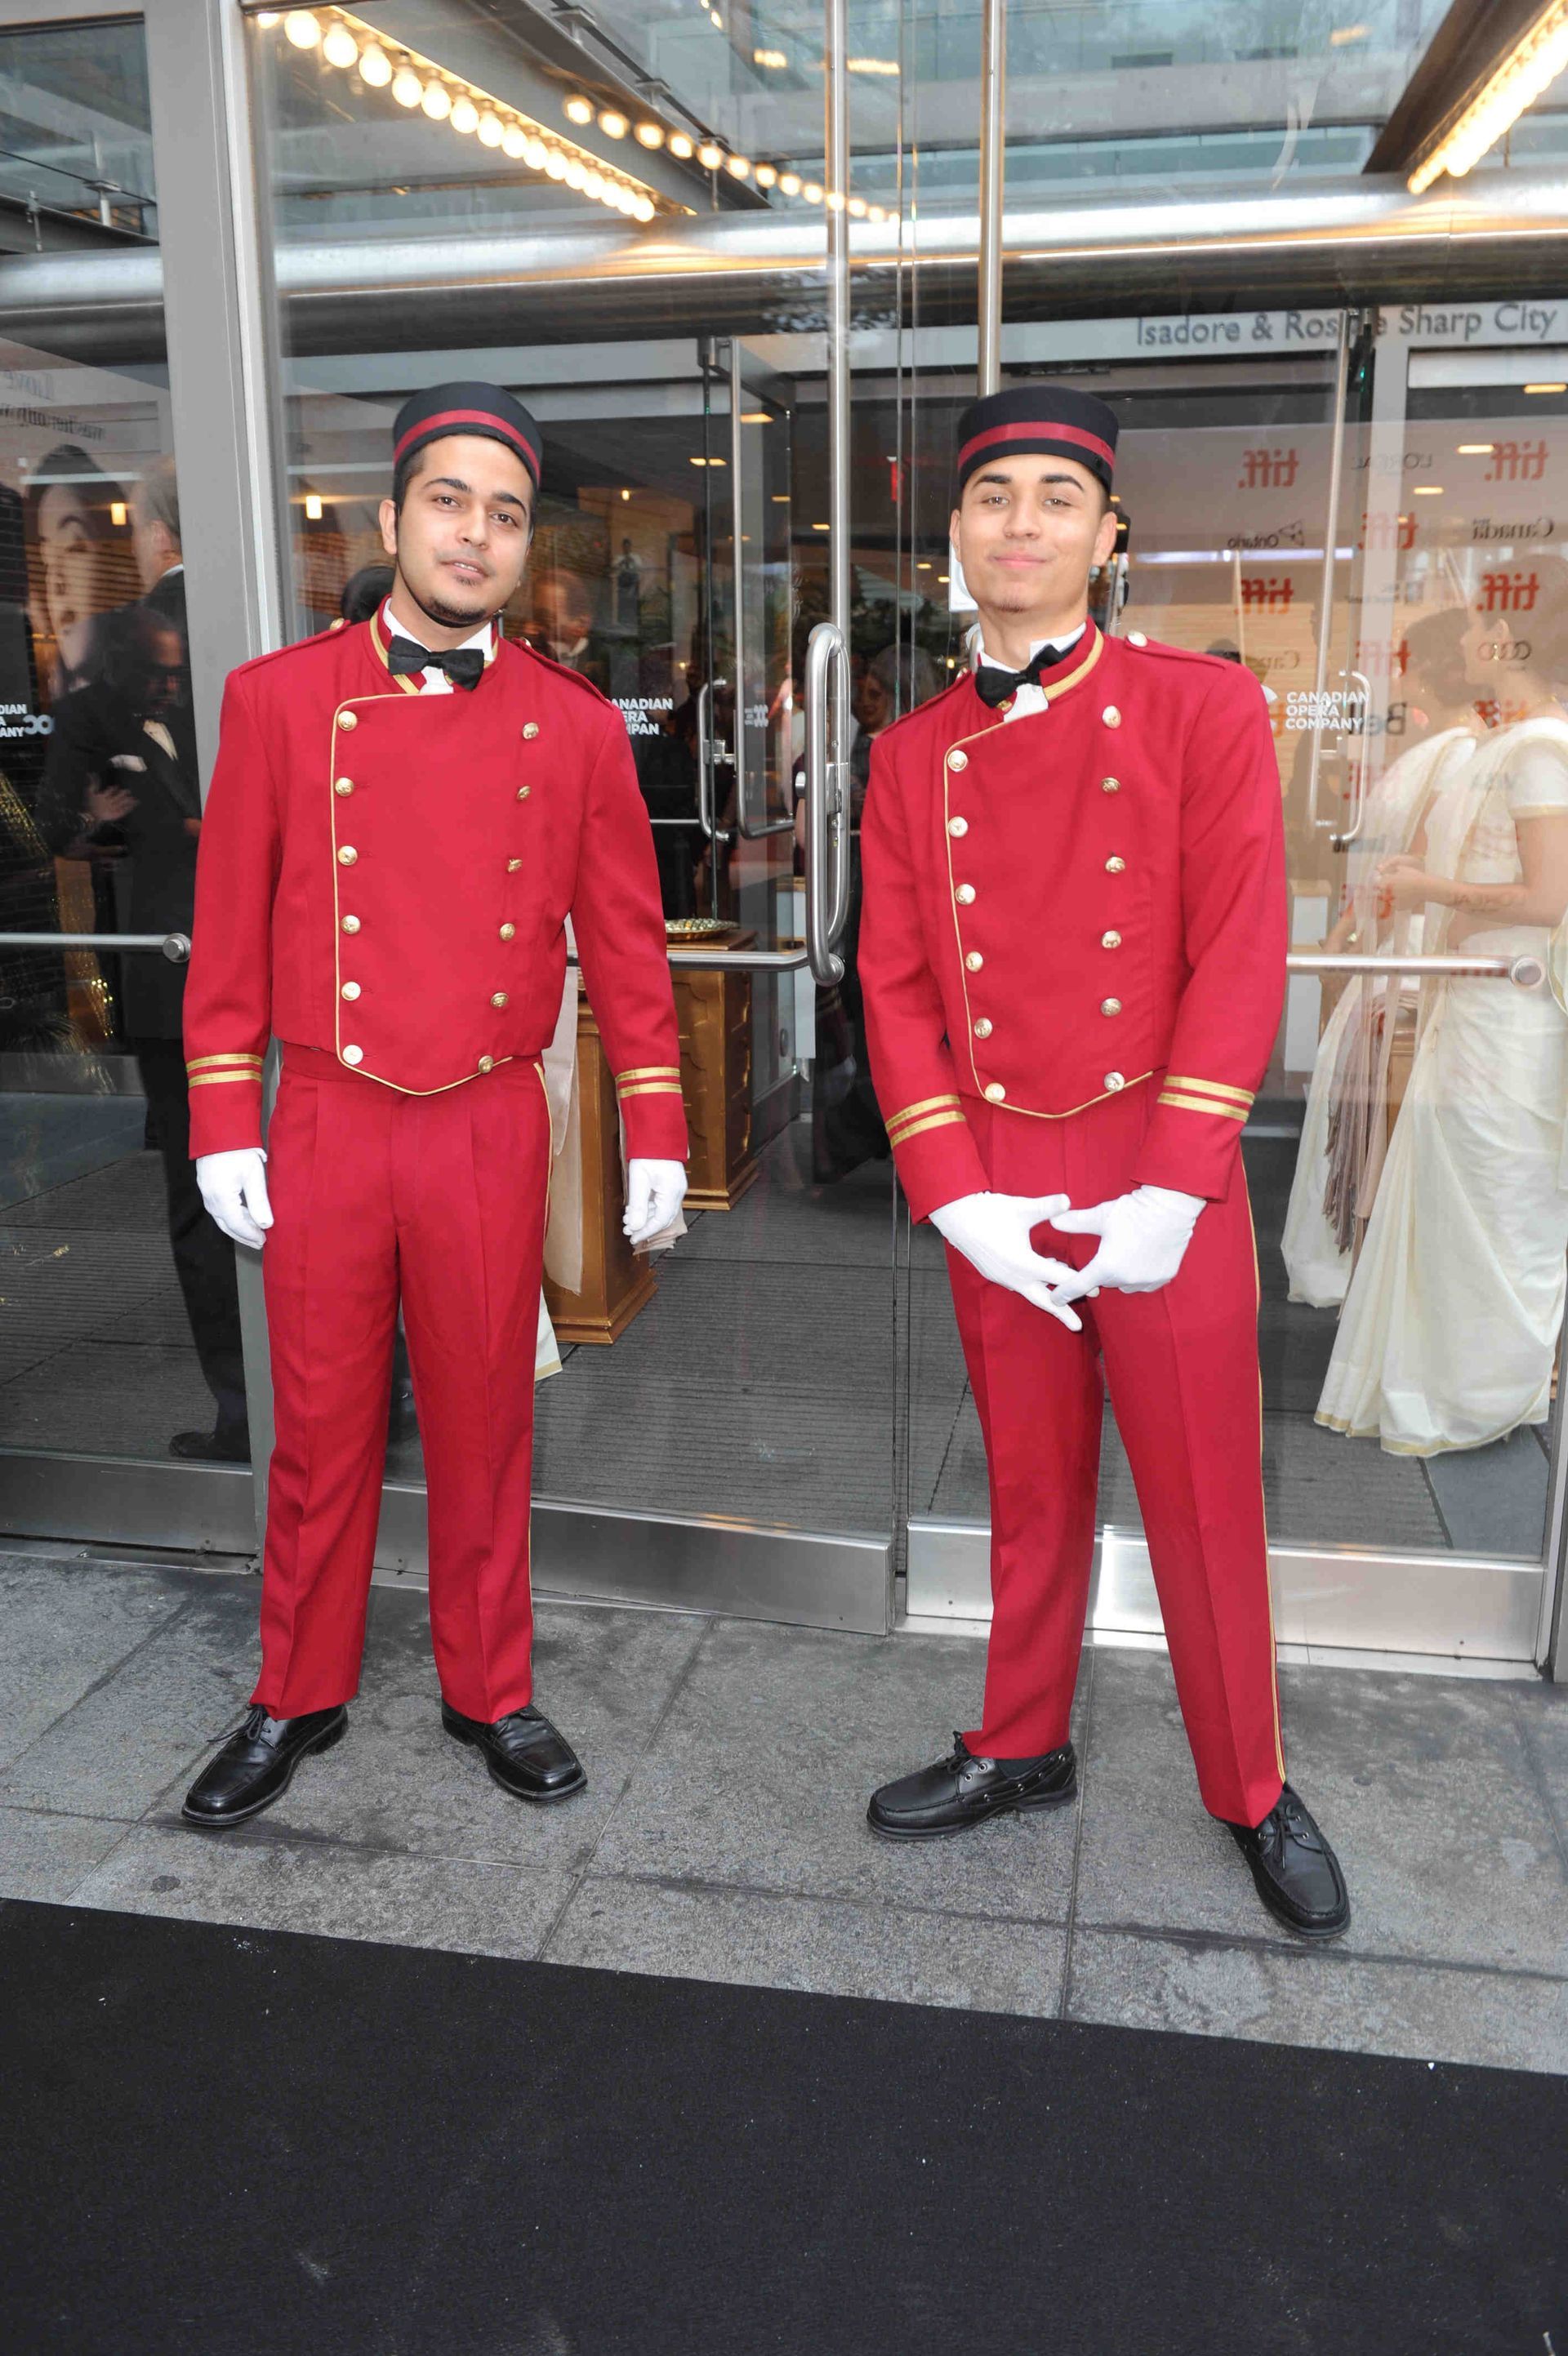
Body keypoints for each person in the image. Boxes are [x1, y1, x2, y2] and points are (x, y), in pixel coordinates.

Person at [857, 384, 1349, 1940]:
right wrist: (957, 1191)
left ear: (1110, 535)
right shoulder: (907, 752)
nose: (1023, 524)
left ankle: (1252, 1788)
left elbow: (1239, 949)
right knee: (1025, 1482)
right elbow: (899, 985)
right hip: (1001, 1172)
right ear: (955, 536)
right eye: (995, 497)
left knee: (1205, 1499)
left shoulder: (1204, 707)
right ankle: (1018, 1742)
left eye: (1058, 499)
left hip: (1160, 1167)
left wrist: (1179, 1176)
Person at [178, 381, 688, 1828]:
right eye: (451, 502)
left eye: (507, 513)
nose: (476, 534)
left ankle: (492, 1689)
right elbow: (227, 935)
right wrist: (227, 1115)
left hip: (484, 1112)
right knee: (321, 1423)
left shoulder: (577, 726)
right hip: (329, 1112)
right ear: (394, 519)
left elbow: (630, 944)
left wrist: (657, 1124)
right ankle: (295, 1692)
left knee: (482, 1424)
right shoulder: (276, 702)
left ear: (529, 550)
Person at [1316, 582, 1568, 1456]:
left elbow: (1546, 897)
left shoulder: (1537, 749)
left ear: (1512, 638)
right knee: (1466, 1192)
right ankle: (1460, 1377)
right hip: (1478, 998)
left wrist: (1432, 889)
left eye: (1487, 623)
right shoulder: (1507, 744)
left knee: (1499, 1197)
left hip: (1507, 1003)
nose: (1474, 637)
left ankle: (1487, 1385)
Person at [38, 460, 250, 1460]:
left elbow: (52, 825)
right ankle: (371, 1397)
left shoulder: (104, 658)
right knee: (319, 1180)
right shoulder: (277, 633)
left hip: (175, 969)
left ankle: (244, 1413)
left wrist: (104, 826)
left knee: (205, 1193)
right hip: (289, 960)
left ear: (158, 536)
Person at [1281, 608, 1481, 1308]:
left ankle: (1350, 1259)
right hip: (1403, 958)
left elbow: (1399, 867)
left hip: (1400, 957)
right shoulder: (1453, 754)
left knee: (1364, 1123)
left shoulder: (1438, 756)